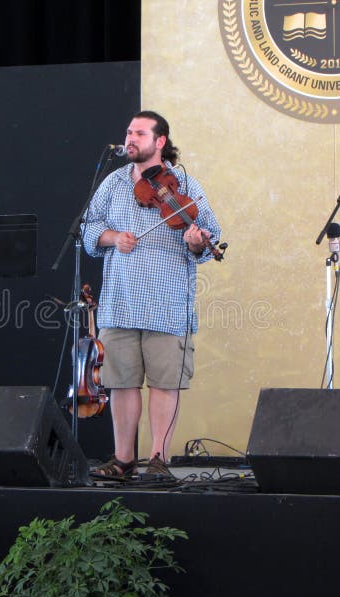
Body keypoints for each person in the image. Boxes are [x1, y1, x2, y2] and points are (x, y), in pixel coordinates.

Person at [81, 110, 222, 479]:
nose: (131, 138)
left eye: (140, 133)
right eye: (129, 132)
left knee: (163, 384)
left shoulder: (187, 184)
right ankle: (123, 459)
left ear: (160, 141)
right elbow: (88, 228)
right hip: (119, 302)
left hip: (167, 303)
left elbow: (209, 234)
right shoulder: (112, 183)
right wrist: (112, 237)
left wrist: (196, 242)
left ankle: (159, 459)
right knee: (121, 383)